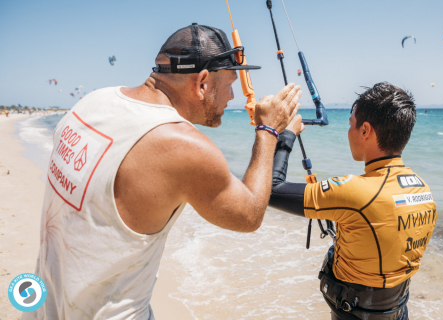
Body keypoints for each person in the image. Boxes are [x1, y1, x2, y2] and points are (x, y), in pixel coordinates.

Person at [24, 23, 302, 319]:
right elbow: (249, 216)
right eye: (229, 83)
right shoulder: (182, 145)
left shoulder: (92, 102)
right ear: (203, 83)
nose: (232, 96)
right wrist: (268, 130)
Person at [269, 82, 437, 320]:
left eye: (351, 124)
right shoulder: (423, 190)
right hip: (397, 311)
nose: (349, 131)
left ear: (366, 130)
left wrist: (285, 134)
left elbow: (272, 190)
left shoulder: (354, 192)